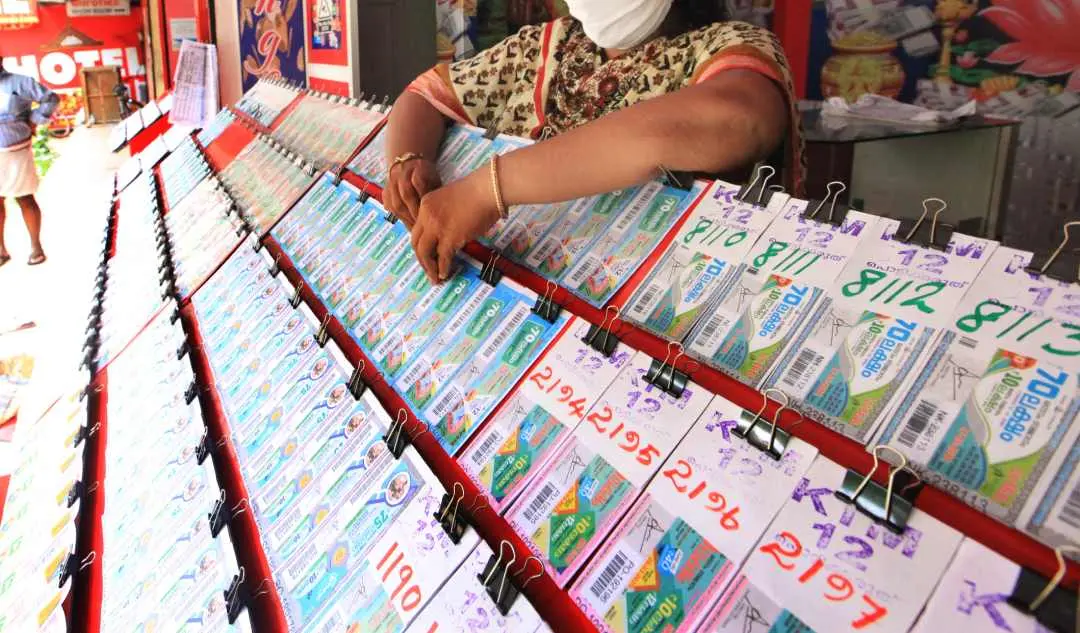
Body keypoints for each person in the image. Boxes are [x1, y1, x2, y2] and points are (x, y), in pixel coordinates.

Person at [385, 0, 803, 284]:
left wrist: (488, 189)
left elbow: (739, 120)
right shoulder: (547, 47)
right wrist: (406, 160)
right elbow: (425, 95)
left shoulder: (726, 45)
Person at [0, 56, 58, 267]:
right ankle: (1, 250)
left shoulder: (20, 82)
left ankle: (36, 247)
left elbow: (50, 98)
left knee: (25, 198)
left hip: (16, 152)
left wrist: (35, 119)